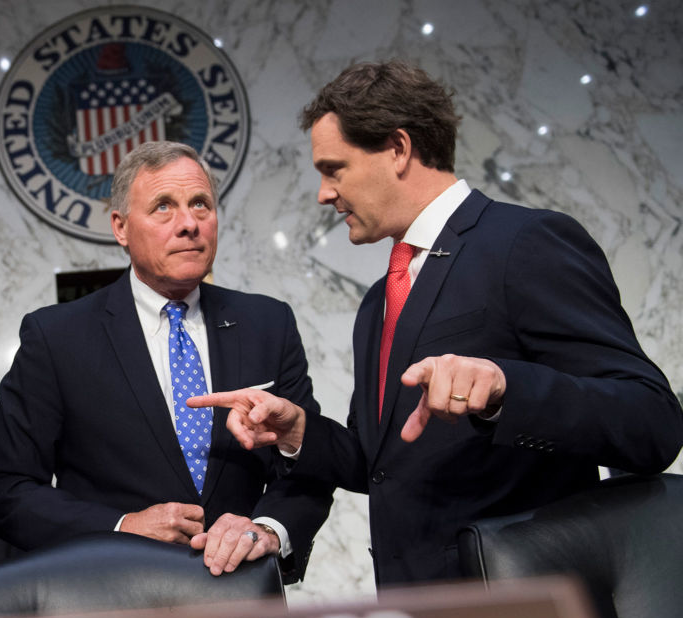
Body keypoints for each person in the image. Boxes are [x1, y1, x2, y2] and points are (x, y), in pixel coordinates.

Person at [190, 61, 683, 586]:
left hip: (529, 617)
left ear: (398, 149)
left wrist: (506, 390)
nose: (324, 194)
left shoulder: (527, 244)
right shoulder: (379, 300)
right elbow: (376, 463)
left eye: (334, 169)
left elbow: (650, 422)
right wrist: (297, 431)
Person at [0, 141, 332, 579]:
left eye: (201, 204)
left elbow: (310, 461)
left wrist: (268, 529)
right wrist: (120, 529)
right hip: (114, 607)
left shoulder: (268, 323)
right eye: (163, 207)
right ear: (120, 227)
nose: (189, 224)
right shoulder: (58, 337)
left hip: (245, 604)